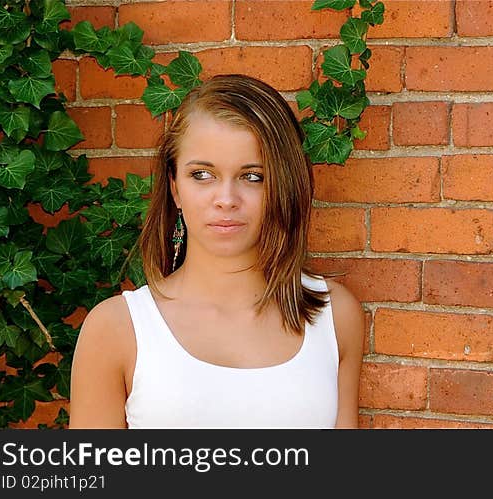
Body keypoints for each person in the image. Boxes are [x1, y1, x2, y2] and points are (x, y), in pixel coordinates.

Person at [69, 74, 364, 429]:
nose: (226, 200)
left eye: (253, 177)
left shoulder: (334, 316)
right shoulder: (116, 329)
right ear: (175, 187)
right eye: (202, 175)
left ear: (285, 186)